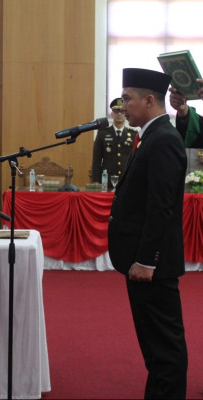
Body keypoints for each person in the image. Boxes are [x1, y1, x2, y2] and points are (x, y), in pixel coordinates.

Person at [108, 68, 188, 399]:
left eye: (128, 99)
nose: (123, 106)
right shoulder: (151, 136)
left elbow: (161, 207)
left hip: (152, 267)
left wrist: (146, 260)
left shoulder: (164, 139)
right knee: (154, 348)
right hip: (143, 264)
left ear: (149, 100)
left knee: (164, 348)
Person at [91, 97, 137, 188]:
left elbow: (136, 161)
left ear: (126, 114)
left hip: (127, 181)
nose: (119, 114)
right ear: (112, 114)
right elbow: (96, 160)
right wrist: (95, 181)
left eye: (122, 111)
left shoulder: (133, 135)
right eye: (116, 111)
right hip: (107, 182)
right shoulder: (102, 133)